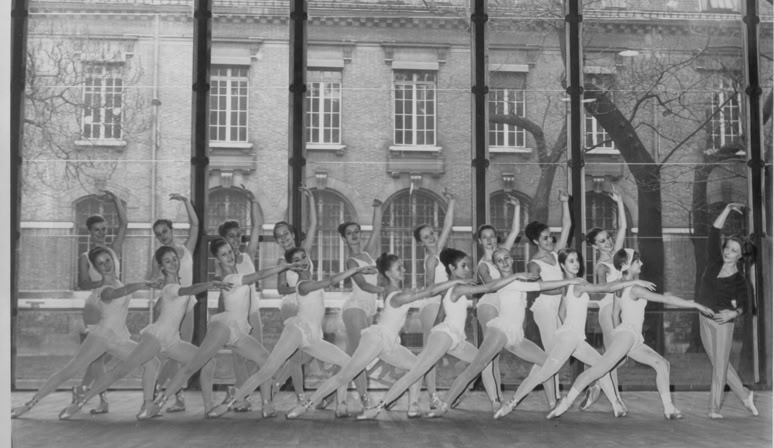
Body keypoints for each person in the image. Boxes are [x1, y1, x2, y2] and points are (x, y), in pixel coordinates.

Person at [286, 253, 468, 420]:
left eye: (402, 266)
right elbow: (428, 291)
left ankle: (412, 406)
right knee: (345, 375)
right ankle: (305, 405)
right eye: (399, 268)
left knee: (417, 368)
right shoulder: (396, 295)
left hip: (389, 342)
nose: (404, 269)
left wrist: (450, 285)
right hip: (376, 339)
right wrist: (454, 282)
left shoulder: (395, 291)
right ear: (388, 273)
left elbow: (427, 291)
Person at [59, 246, 231, 420]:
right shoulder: (170, 287)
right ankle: (78, 404)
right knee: (120, 371)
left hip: (172, 340)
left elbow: (162, 307)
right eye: (167, 261)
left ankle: (206, 407)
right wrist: (210, 284)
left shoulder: (174, 286)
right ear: (162, 266)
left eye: (174, 259)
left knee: (208, 362)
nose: (173, 263)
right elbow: (188, 291)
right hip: (156, 337)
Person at [207, 247, 375, 419]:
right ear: (292, 266)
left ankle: (338, 404)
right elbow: (331, 280)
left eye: (303, 257)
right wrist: (357, 269)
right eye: (296, 260)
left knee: (347, 363)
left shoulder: (310, 281)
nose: (302, 262)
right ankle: (230, 403)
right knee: (268, 369)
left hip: (313, 336)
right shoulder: (302, 285)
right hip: (297, 331)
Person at [546, 248, 715, 420]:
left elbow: (615, 314)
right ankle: (566, 403)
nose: (641, 263)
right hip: (628, 335)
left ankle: (669, 409)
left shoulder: (621, 286)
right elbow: (667, 299)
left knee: (662, 364)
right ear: (626, 265)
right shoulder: (635, 289)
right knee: (598, 369)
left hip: (631, 338)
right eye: (637, 261)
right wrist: (697, 305)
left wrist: (618, 339)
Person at [147, 238, 302, 419]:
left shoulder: (235, 274)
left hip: (238, 332)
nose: (229, 256)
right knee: (194, 365)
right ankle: (158, 403)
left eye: (229, 252)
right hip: (223, 328)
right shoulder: (230, 278)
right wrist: (283, 267)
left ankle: (267, 405)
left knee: (265, 360)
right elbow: (259, 275)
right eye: (223, 254)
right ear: (218, 260)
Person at [356, 248, 519, 420]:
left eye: (467, 265)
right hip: (445, 336)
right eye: (463, 266)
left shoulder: (451, 288)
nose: (467, 269)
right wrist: (515, 276)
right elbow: (490, 287)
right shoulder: (458, 288)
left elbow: (441, 314)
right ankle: (379, 407)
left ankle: (493, 401)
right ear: (452, 268)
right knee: (416, 372)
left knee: (483, 361)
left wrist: (431, 339)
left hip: (455, 338)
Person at [493, 248, 656, 420]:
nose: (576, 263)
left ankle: (616, 405)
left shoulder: (567, 285)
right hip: (570, 337)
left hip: (575, 338)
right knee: (544, 373)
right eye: (571, 261)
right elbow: (606, 287)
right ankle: (510, 404)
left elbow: (562, 311)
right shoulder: (577, 284)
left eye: (577, 260)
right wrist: (632, 282)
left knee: (601, 366)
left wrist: (570, 329)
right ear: (563, 265)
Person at [426, 247, 585, 419]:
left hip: (515, 335)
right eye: (500, 261)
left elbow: (539, 285)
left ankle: (545, 402)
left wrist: (568, 282)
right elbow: (541, 285)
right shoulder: (507, 282)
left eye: (507, 258)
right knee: (475, 367)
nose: (505, 262)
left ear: (512, 259)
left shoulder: (519, 280)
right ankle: (444, 405)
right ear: (495, 266)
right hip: (500, 331)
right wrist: (569, 281)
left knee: (547, 362)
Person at [12, 247, 160, 419]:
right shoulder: (103, 289)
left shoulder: (118, 282)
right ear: (96, 268)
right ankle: (28, 405)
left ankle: (146, 406)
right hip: (101, 337)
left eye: (108, 260)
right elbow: (121, 292)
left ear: (113, 260)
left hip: (118, 338)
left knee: (152, 362)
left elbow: (123, 290)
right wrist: (143, 284)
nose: (106, 265)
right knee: (69, 371)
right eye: (101, 264)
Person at [697, 202, 759, 419]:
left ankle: (713, 408)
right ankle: (745, 395)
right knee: (719, 363)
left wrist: (734, 313)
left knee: (720, 365)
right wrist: (727, 209)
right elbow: (714, 232)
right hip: (704, 317)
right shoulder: (714, 262)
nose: (728, 252)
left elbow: (746, 304)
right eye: (727, 248)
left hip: (723, 323)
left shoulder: (740, 280)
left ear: (741, 256)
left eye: (734, 251)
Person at [74, 189, 128, 414]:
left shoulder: (112, 251)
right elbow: (82, 283)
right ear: (89, 232)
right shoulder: (86, 257)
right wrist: (105, 283)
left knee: (106, 354)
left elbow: (124, 224)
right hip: (96, 307)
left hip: (115, 308)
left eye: (104, 229)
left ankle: (82, 388)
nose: (101, 233)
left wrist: (116, 200)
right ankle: (102, 399)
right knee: (97, 355)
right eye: (97, 230)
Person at [215, 185, 265, 412]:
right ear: (224, 239)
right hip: (235, 317)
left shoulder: (248, 255)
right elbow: (223, 294)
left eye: (238, 235)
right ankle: (241, 397)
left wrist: (253, 202)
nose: (236, 239)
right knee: (239, 358)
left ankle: (239, 391)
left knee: (258, 355)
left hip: (253, 312)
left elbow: (257, 227)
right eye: (231, 236)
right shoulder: (223, 265)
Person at [148, 193, 199, 413]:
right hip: (170, 309)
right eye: (158, 234)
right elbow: (153, 280)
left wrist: (186, 201)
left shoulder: (186, 249)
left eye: (165, 231)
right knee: (172, 352)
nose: (163, 236)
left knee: (182, 351)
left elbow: (195, 225)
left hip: (188, 305)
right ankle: (173, 395)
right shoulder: (158, 258)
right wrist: (158, 280)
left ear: (171, 230)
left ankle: (159, 388)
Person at [472, 194, 523, 410]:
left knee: (494, 354)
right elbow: (492, 287)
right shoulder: (483, 264)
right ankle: (494, 400)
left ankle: (498, 398)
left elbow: (515, 231)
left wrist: (517, 207)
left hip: (503, 306)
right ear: (480, 241)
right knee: (489, 354)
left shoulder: (501, 254)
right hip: (489, 305)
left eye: (492, 236)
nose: (490, 240)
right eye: (485, 237)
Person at [580, 187, 628, 410]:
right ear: (594, 246)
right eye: (602, 241)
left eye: (607, 238)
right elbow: (601, 291)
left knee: (619, 356)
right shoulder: (601, 266)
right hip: (608, 312)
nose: (607, 242)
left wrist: (619, 202)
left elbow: (623, 228)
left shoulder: (617, 254)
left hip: (621, 310)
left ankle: (596, 384)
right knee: (614, 356)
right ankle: (616, 401)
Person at [271, 186, 319, 405]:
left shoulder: (304, 252)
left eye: (286, 234)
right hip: (291, 306)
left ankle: (277, 384)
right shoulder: (282, 262)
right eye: (279, 237)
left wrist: (311, 200)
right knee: (296, 353)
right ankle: (300, 397)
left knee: (306, 352)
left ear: (292, 235)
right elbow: (281, 289)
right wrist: (302, 287)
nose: (284, 238)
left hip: (310, 307)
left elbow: (313, 225)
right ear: (277, 241)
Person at [523, 190, 571, 407]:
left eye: (550, 236)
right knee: (552, 354)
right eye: (545, 237)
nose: (550, 239)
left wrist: (564, 203)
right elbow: (540, 289)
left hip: (560, 307)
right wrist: (564, 287)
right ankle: (553, 401)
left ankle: (528, 388)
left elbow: (567, 225)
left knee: (554, 354)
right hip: (545, 309)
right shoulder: (534, 264)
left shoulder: (555, 254)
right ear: (535, 241)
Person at [338, 199, 385, 408]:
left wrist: (378, 209)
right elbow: (363, 285)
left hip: (366, 311)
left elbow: (377, 229)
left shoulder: (366, 254)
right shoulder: (351, 261)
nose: (354, 235)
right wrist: (384, 290)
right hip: (355, 309)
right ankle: (365, 399)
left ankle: (329, 396)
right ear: (344, 239)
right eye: (349, 233)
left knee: (349, 358)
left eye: (356, 231)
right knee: (361, 356)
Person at [412, 187, 455, 408]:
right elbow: (430, 288)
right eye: (426, 237)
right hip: (432, 307)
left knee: (435, 353)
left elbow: (448, 224)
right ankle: (431, 396)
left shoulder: (440, 251)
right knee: (430, 354)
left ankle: (429, 395)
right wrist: (449, 286)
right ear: (421, 243)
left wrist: (452, 201)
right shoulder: (431, 259)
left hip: (443, 305)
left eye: (432, 233)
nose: (432, 237)